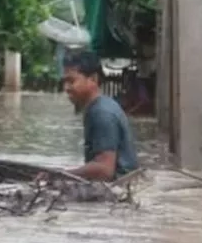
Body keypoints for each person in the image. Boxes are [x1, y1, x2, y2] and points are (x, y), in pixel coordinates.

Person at [51, 50, 139, 182]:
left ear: (93, 79)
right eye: (65, 82)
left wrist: (61, 176)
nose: (66, 88)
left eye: (71, 81)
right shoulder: (99, 108)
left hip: (118, 190)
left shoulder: (101, 113)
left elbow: (104, 170)